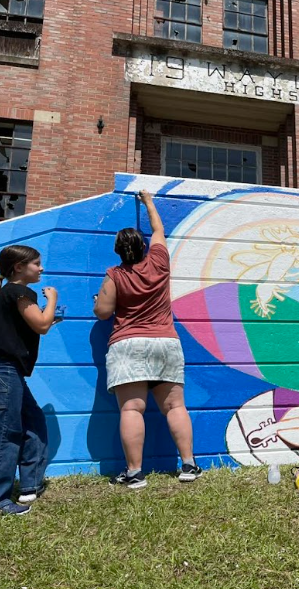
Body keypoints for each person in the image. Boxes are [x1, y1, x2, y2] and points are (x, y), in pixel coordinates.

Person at [94, 190, 201, 488]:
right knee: (175, 407)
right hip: (165, 342)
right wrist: (149, 202)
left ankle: (135, 473)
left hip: (127, 344)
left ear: (118, 251)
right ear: (143, 247)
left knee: (131, 409)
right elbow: (158, 229)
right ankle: (189, 466)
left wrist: (100, 300)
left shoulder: (114, 275)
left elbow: (103, 312)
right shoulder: (159, 262)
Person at [0, 245, 58, 515]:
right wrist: (52, 299)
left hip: (6, 370)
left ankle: (29, 486)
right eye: (36, 263)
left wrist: (44, 315)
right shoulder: (19, 291)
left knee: (33, 422)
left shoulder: (8, 293)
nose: (41, 268)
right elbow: (42, 325)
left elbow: (31, 324)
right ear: (19, 267)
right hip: (4, 370)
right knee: (4, 432)